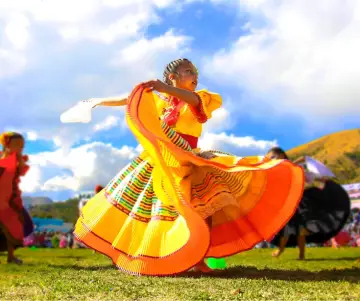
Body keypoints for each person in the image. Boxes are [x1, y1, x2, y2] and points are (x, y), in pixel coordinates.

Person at [72, 58, 304, 276]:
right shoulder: (159, 99)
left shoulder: (200, 96)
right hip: (162, 160)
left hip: (189, 158)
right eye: (189, 71)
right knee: (155, 210)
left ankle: (199, 258)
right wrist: (94, 103)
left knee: (206, 205)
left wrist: (164, 88)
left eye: (195, 72)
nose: (195, 75)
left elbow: (194, 103)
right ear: (173, 76)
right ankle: (157, 257)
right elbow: (129, 99)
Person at [267, 147, 351, 260]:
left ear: (282, 155)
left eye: (273, 156)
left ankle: (300, 254)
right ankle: (281, 249)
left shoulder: (292, 166)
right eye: (270, 158)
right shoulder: (278, 170)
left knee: (300, 230)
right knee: (287, 230)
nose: (272, 159)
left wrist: (293, 164)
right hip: (291, 202)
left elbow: (305, 159)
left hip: (304, 201)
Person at [0, 132, 34, 264]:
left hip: (11, 199)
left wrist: (18, 159)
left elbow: (21, 171)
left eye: (22, 145)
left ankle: (11, 256)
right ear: (7, 144)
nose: (20, 147)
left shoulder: (17, 159)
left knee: (16, 225)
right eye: (17, 145)